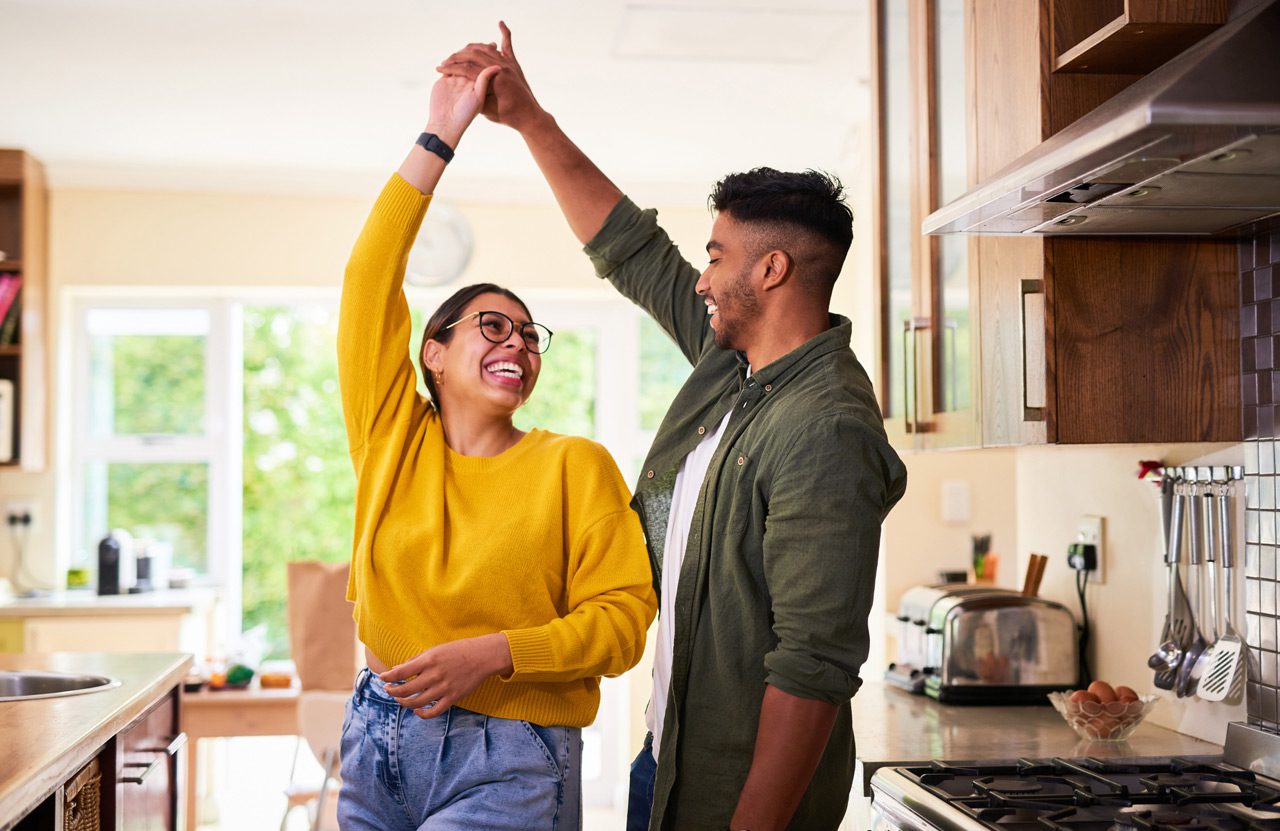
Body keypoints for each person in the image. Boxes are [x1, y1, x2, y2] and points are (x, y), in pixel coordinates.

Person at [439, 25, 909, 831]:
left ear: (771, 271)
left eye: (718, 255)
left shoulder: (824, 428)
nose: (701, 276)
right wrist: (527, 117)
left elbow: (813, 669)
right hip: (671, 759)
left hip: (739, 796)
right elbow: (632, 250)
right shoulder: (736, 366)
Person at [335, 64, 657, 831]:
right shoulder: (391, 438)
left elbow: (623, 620)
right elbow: (366, 281)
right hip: (374, 739)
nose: (518, 340)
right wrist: (440, 136)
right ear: (433, 353)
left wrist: (495, 653)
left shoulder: (573, 465)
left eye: (528, 333)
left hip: (511, 755)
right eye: (491, 324)